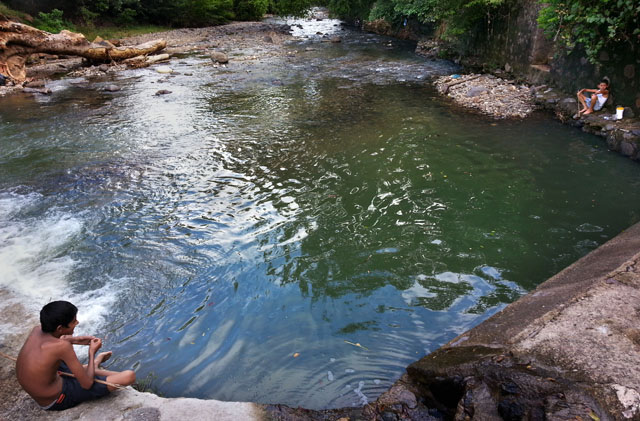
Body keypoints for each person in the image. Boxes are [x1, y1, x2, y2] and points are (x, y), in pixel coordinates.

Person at [15, 301, 136, 411]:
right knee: (128, 376)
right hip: (56, 399)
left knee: (81, 369)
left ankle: (93, 367)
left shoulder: (37, 330)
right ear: (60, 328)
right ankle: (94, 365)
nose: (77, 322)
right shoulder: (62, 347)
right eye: (73, 321)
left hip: (47, 383)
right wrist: (92, 352)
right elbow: (87, 384)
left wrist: (75, 340)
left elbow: (54, 341)